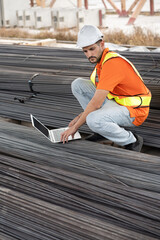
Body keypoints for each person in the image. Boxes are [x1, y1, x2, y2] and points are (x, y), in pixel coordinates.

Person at [61, 25, 151, 151]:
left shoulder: (112, 64)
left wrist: (76, 126)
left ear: (101, 44)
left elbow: (96, 104)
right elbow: (98, 99)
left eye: (92, 49)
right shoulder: (102, 60)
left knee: (92, 119)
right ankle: (103, 131)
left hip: (135, 111)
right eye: (85, 51)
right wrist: (80, 117)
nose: (89, 55)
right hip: (118, 102)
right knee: (78, 84)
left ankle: (132, 140)